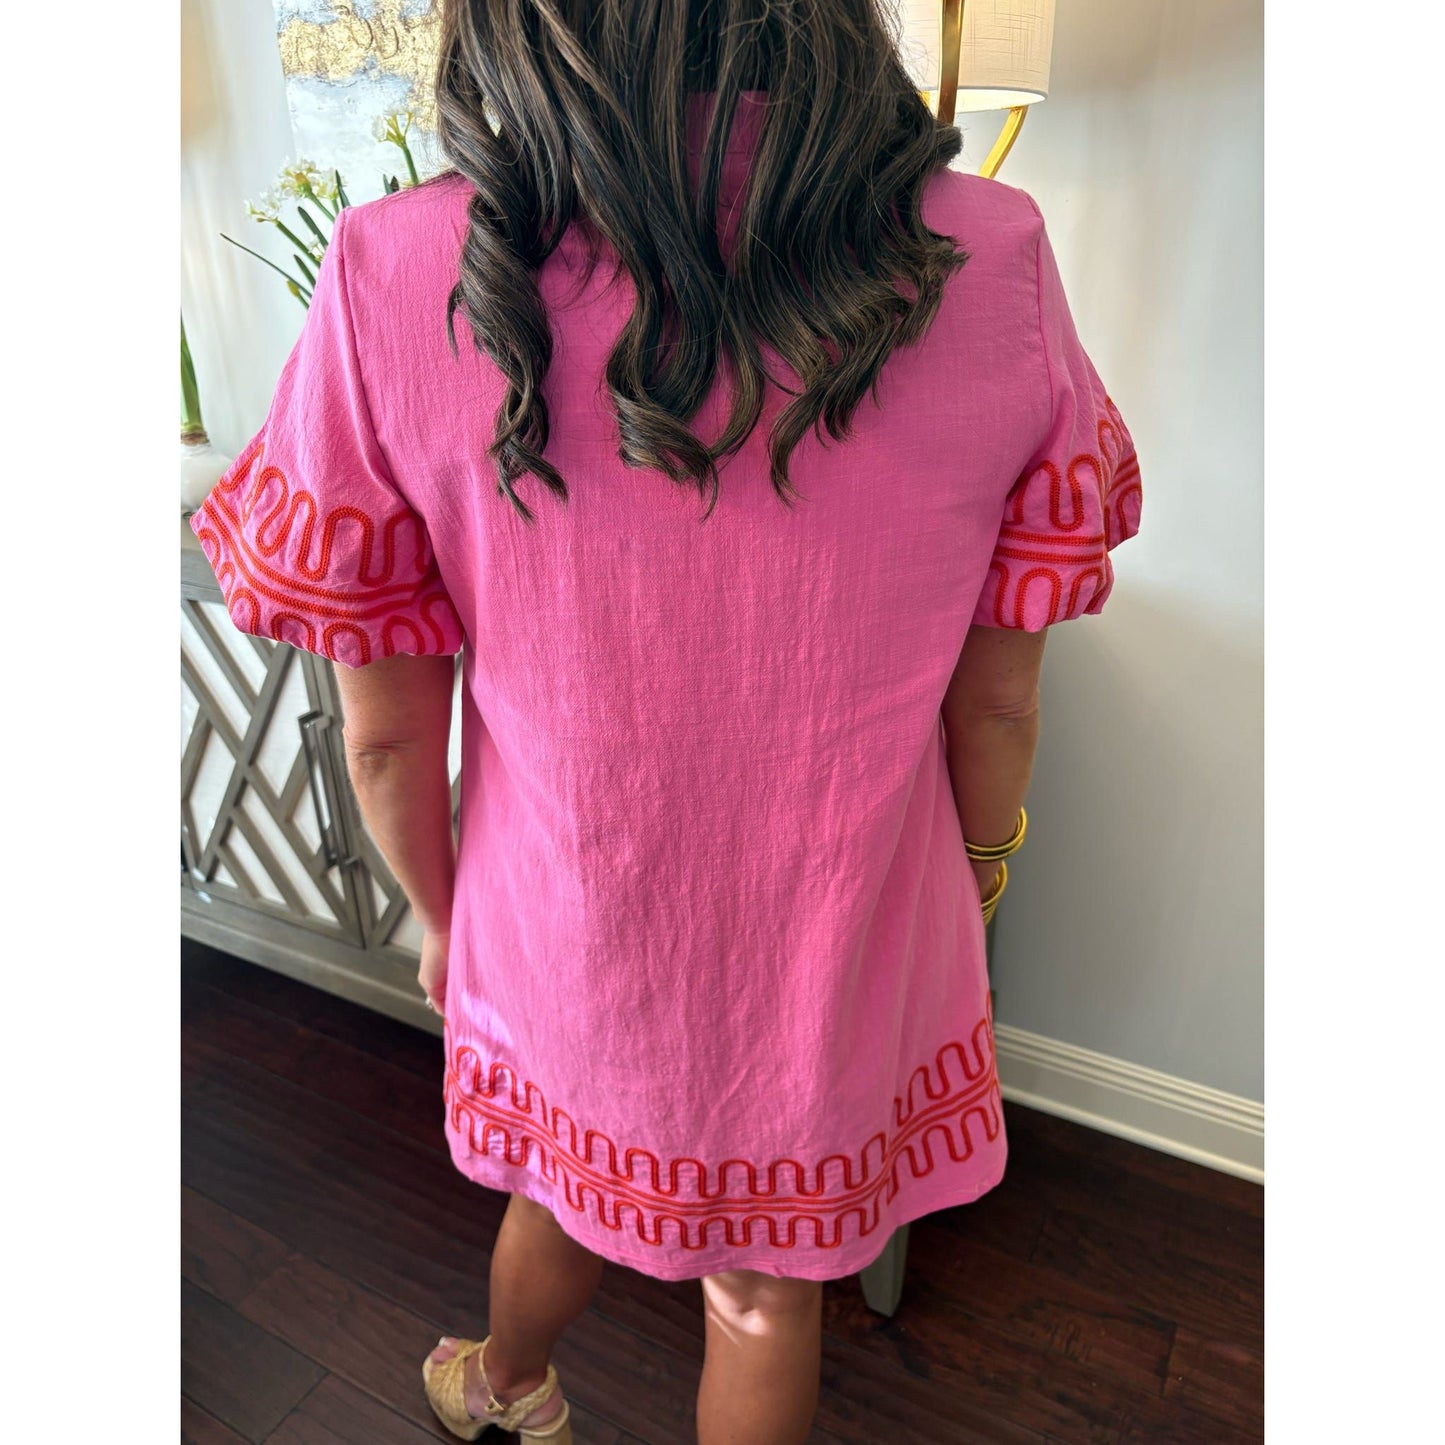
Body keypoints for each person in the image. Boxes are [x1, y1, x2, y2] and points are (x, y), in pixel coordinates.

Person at [188, 3, 1143, 1440]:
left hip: (564, 921)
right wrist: (981, 867)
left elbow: (384, 731)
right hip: (848, 933)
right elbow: (996, 694)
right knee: (766, 1290)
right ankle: (507, 1378)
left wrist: (443, 914)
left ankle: (504, 1386)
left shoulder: (396, 268)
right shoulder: (987, 253)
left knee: (564, 1184)